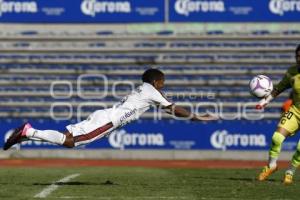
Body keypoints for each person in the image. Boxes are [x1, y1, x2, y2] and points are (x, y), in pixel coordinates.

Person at [3, 68, 218, 150]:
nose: (164, 85)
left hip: (103, 114)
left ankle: (26, 135)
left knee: (66, 136)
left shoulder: (144, 90)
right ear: (156, 81)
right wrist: (198, 118)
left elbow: (169, 109)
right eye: (162, 81)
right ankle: (29, 131)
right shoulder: (153, 91)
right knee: (70, 142)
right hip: (108, 121)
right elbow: (175, 109)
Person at [256, 44, 300, 184]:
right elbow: (278, 88)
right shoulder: (292, 72)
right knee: (277, 137)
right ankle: (272, 165)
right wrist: (265, 101)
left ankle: (290, 172)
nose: (299, 58)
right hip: (296, 111)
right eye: (297, 56)